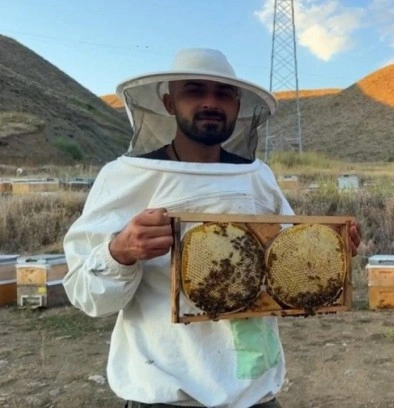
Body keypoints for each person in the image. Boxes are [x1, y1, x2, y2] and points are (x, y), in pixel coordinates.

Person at [62, 48, 361, 408]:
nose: (210, 103)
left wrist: (329, 253)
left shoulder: (257, 176)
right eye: (194, 90)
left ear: (237, 106)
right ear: (169, 103)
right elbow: (86, 295)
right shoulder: (123, 177)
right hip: (164, 395)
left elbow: (285, 269)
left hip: (255, 393)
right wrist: (119, 252)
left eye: (223, 94)